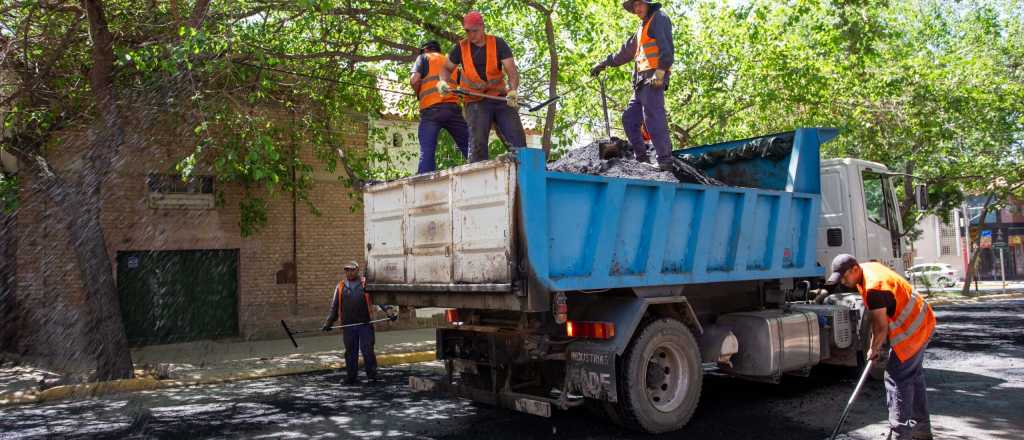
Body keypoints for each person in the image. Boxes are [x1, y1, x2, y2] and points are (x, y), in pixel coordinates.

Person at [826, 254, 936, 440]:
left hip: (913, 328)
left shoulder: (874, 288)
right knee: (913, 376)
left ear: (854, 269)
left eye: (845, 277)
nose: (844, 282)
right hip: (923, 321)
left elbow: (880, 326)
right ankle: (921, 429)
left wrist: (873, 348)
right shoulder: (868, 268)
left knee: (896, 376)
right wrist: (876, 345)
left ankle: (899, 434)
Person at [590, 0, 675, 171]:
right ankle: (642, 159)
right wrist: (603, 64)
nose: (637, 9)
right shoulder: (641, 29)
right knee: (629, 118)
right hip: (640, 83)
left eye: (639, 5)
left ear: (648, 4)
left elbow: (667, 51)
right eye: (634, 6)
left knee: (653, 118)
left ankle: (665, 161)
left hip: (654, 77)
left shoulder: (659, 18)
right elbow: (625, 52)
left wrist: (660, 74)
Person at [437, 10, 528, 163]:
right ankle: (477, 179)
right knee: (478, 143)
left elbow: (511, 70)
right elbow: (446, 69)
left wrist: (513, 90)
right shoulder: (460, 48)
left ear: (482, 27)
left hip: (499, 97)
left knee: (517, 137)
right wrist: (442, 82)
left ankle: (525, 171)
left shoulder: (498, 43)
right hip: (474, 101)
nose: (471, 35)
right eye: (467, 31)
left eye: (474, 31)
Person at [322, 261, 397, 385]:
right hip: (348, 326)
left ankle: (372, 376)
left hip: (365, 325)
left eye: (352, 270)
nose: (349, 272)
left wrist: (389, 311)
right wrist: (329, 322)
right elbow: (334, 307)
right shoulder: (340, 286)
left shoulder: (364, 284)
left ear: (357, 270)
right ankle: (351, 377)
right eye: (347, 270)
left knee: (367, 350)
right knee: (350, 352)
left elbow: (379, 300)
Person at [410, 40, 470, 174]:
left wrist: (418, 93)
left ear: (425, 50)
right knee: (469, 146)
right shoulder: (450, 63)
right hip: (452, 110)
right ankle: (482, 173)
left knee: (427, 149)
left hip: (431, 110)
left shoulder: (424, 58)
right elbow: (466, 87)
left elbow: (414, 80)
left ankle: (424, 181)